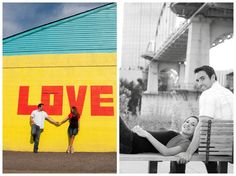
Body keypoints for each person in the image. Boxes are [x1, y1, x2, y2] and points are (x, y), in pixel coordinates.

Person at [172, 65, 233, 173]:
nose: (199, 83)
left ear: (213, 77)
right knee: (205, 141)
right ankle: (213, 172)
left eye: (203, 78)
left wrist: (189, 153)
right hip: (231, 147)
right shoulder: (229, 93)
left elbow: (203, 125)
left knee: (182, 143)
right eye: (197, 80)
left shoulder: (208, 94)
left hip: (218, 148)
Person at [120, 115, 199, 156]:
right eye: (187, 121)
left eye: (192, 124)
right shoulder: (176, 134)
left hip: (131, 143)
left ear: (197, 131)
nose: (188, 124)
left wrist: (147, 134)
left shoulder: (186, 143)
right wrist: (139, 130)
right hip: (130, 138)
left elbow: (166, 152)